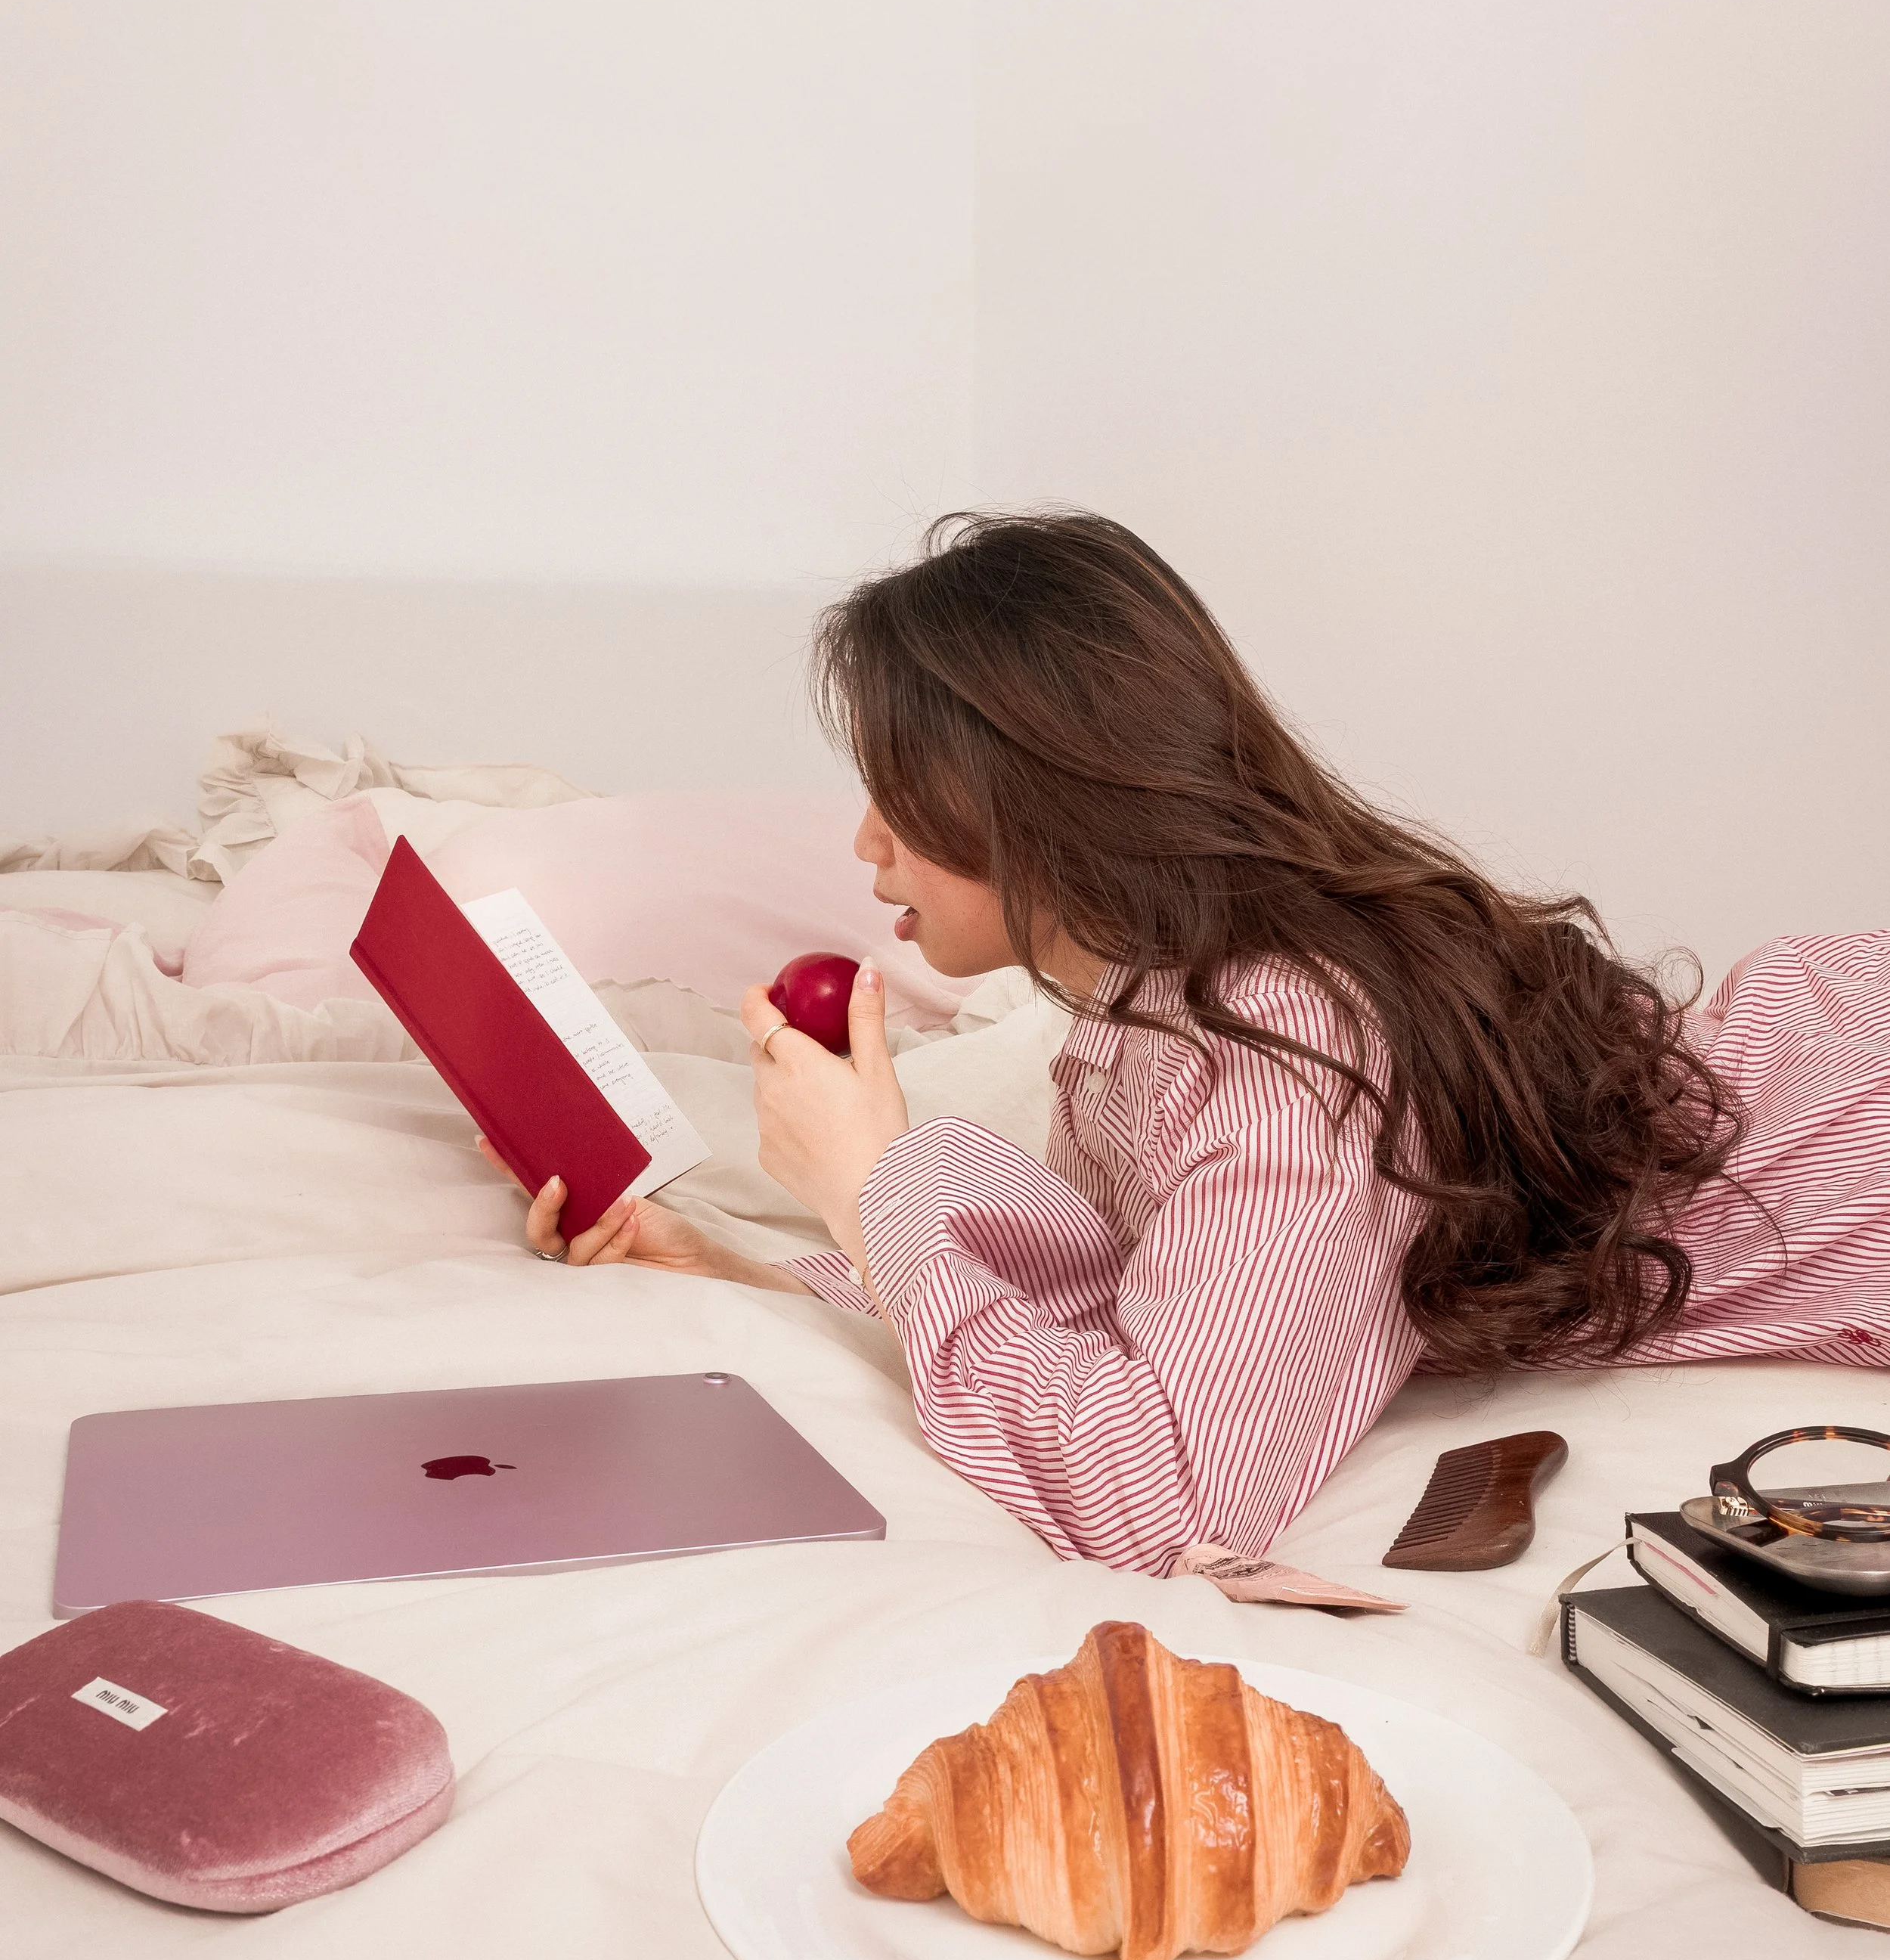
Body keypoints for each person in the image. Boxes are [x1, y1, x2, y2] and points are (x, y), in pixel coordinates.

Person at [489, 511, 1890, 1575]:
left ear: (1037, 804)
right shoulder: (1160, 1006)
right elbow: (1152, 1312)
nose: (866, 846)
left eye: (899, 799)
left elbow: (1170, 1492)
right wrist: (754, 1269)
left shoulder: (1292, 1049)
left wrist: (870, 1185)